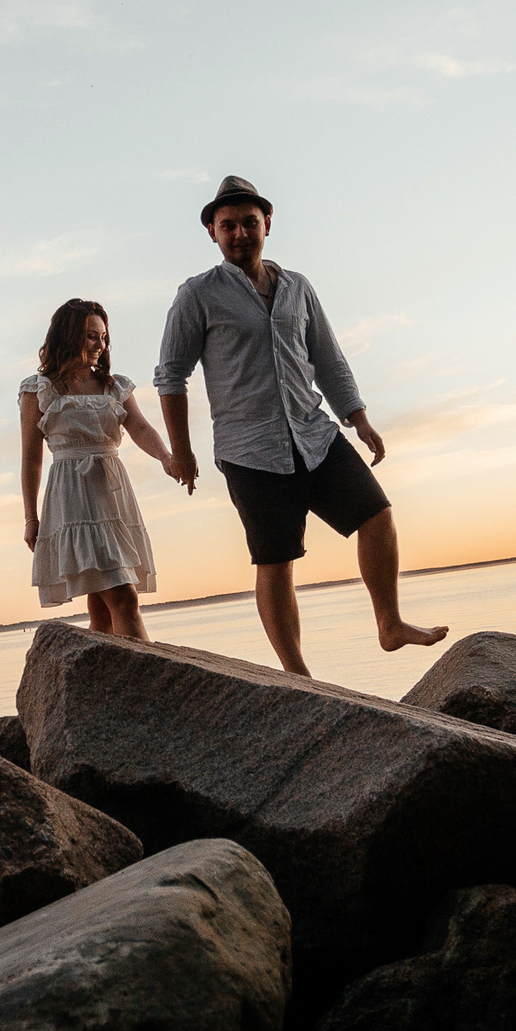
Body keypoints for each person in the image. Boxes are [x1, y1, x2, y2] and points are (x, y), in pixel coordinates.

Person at [153, 175, 447, 675]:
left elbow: (328, 360)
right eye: (228, 226)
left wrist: (359, 419)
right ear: (212, 233)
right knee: (275, 559)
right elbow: (170, 376)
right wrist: (180, 452)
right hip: (250, 448)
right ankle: (296, 673)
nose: (240, 233)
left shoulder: (298, 288)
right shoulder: (197, 295)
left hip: (314, 433)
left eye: (249, 223)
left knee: (377, 516)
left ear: (267, 223)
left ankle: (390, 624)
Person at [19, 298, 185, 639]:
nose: (101, 344)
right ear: (69, 336)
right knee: (124, 597)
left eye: (104, 337)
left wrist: (168, 459)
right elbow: (31, 458)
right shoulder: (38, 390)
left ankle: (100, 684)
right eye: (92, 336)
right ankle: (147, 680)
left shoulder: (114, 385)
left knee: (103, 606)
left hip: (113, 495)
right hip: (72, 496)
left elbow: (139, 427)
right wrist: (31, 518)